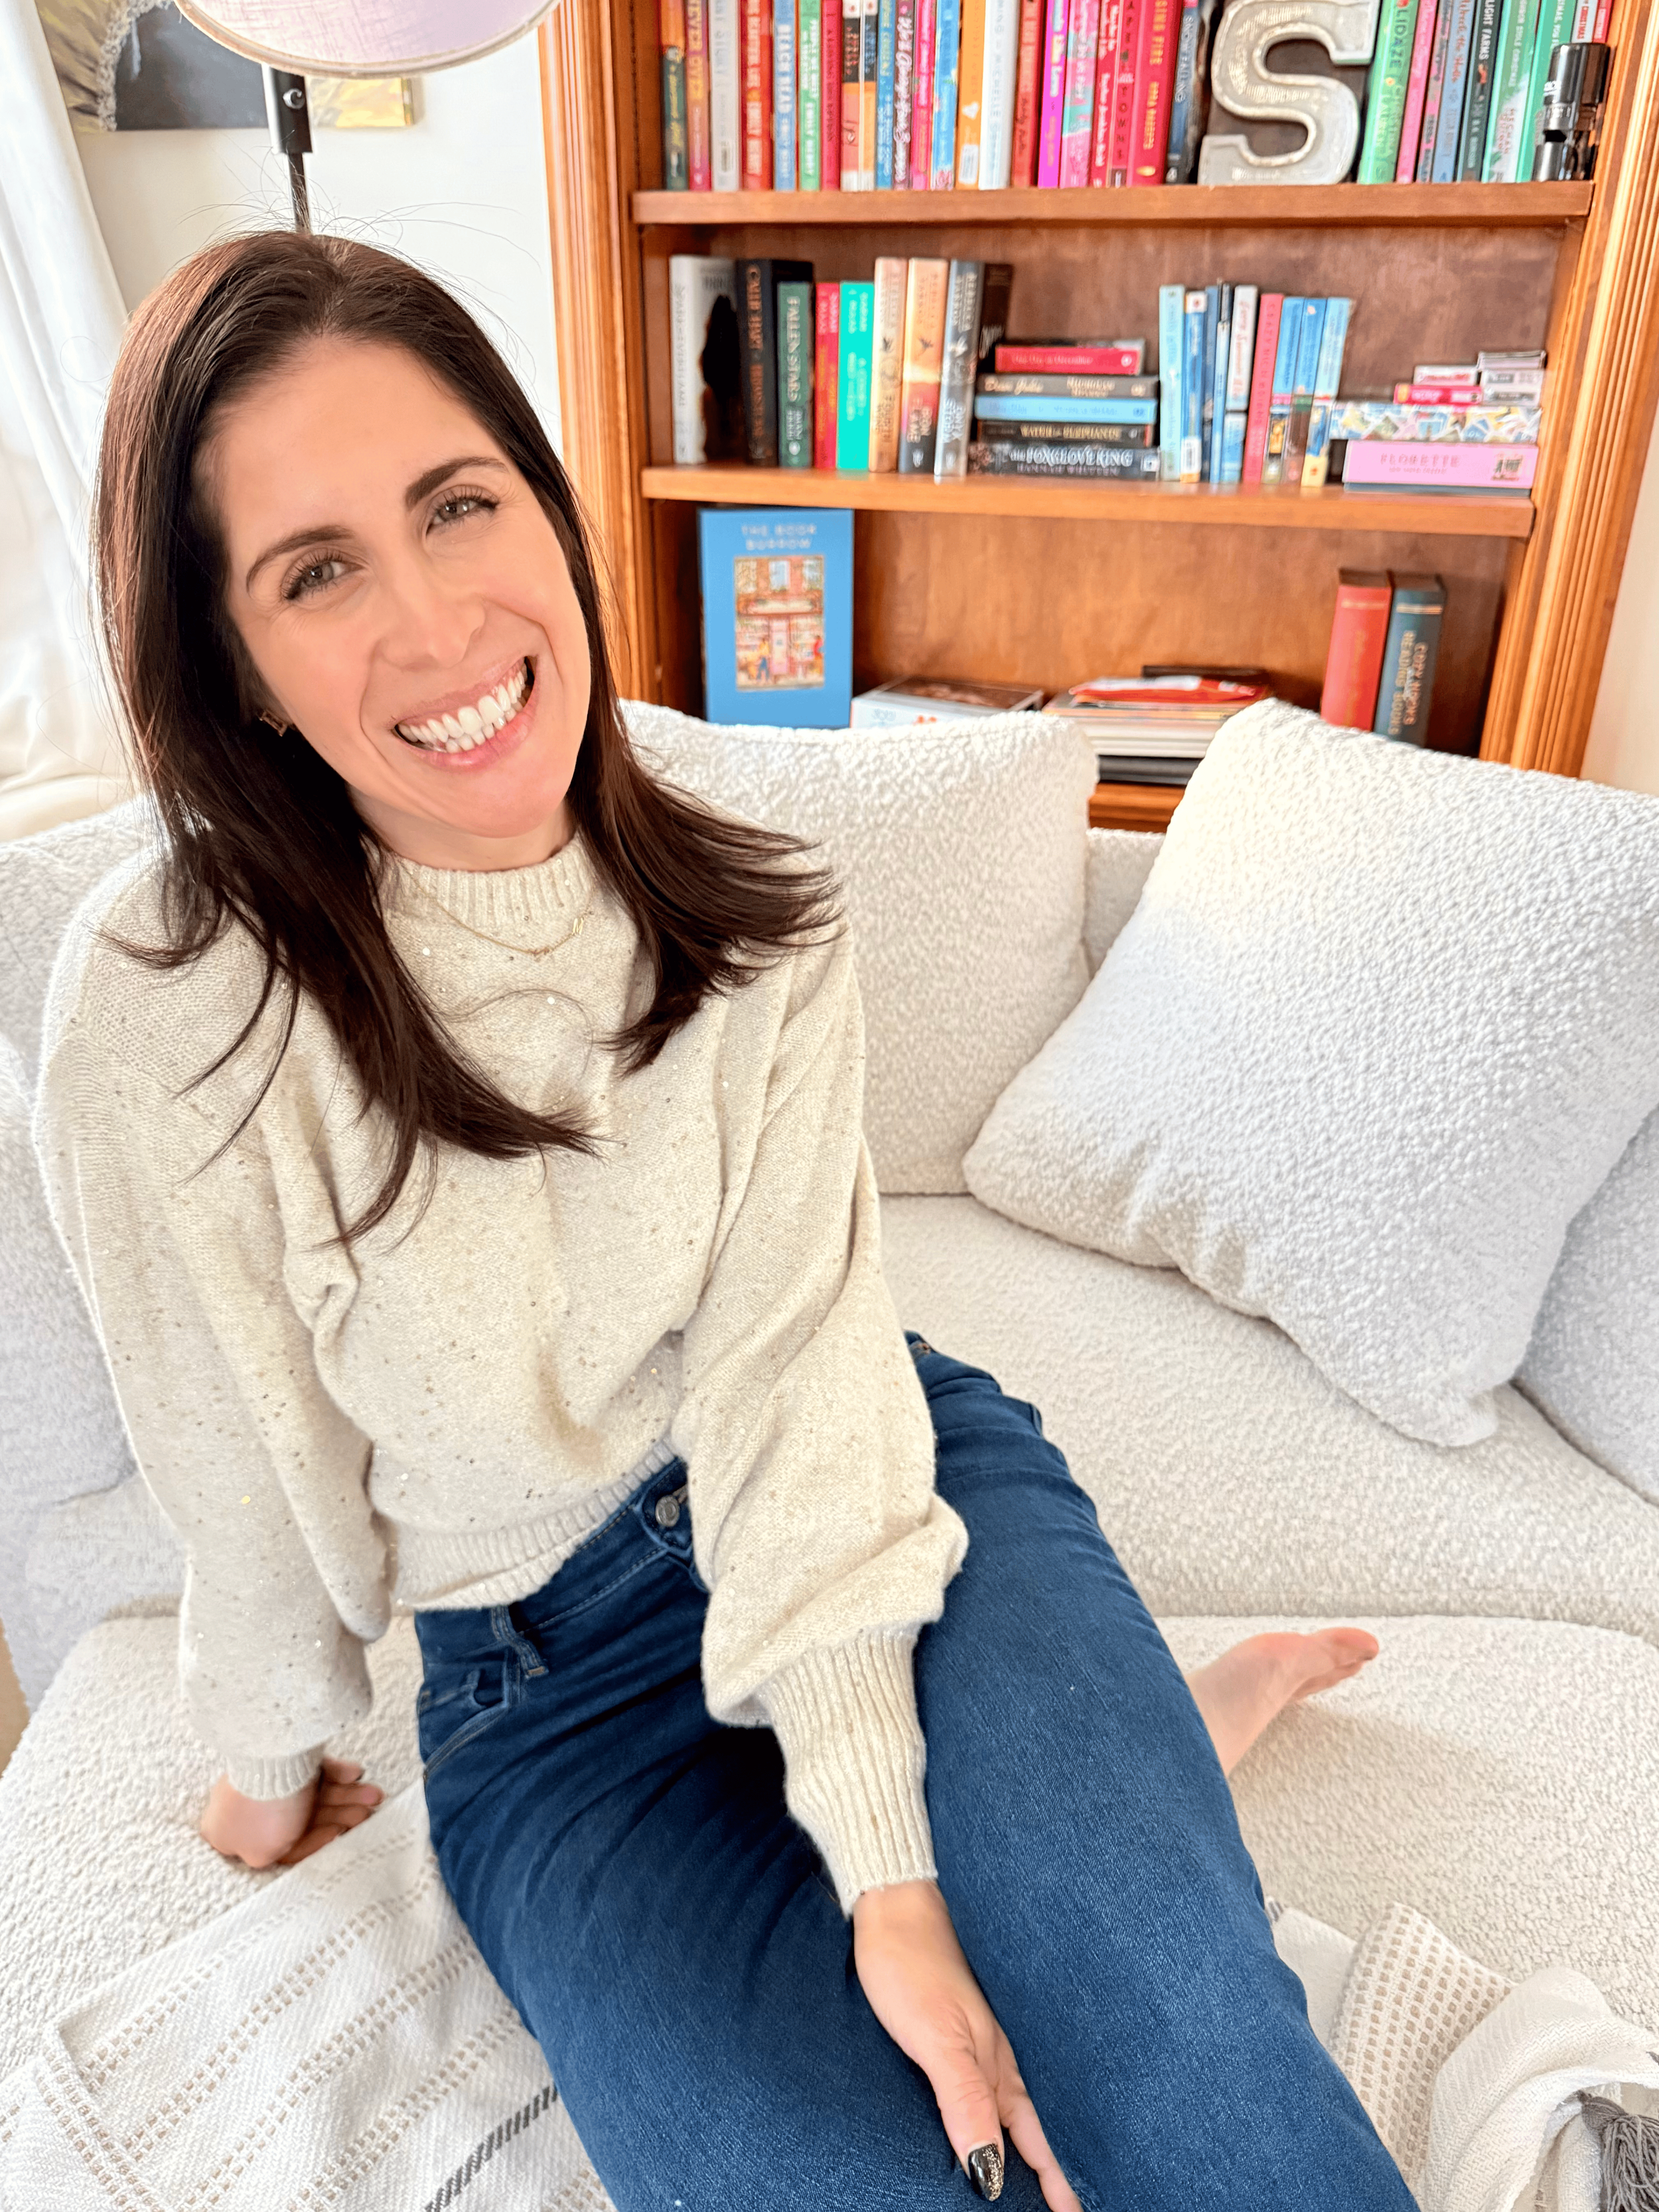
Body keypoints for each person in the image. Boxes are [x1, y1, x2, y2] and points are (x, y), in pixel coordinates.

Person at [36, 232, 1412, 2212]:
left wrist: (893, 1876)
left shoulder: (760, 922)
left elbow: (798, 1387)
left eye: (458, 505)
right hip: (549, 1704)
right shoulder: (173, 1002)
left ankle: (1114, 1796)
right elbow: (238, 1466)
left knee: (1162, 2030)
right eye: (315, 571)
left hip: (870, 1502)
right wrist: (269, 1767)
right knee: (879, 2180)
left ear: (547, 507)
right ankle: (1148, 1761)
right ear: (231, 662)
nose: (435, 620)